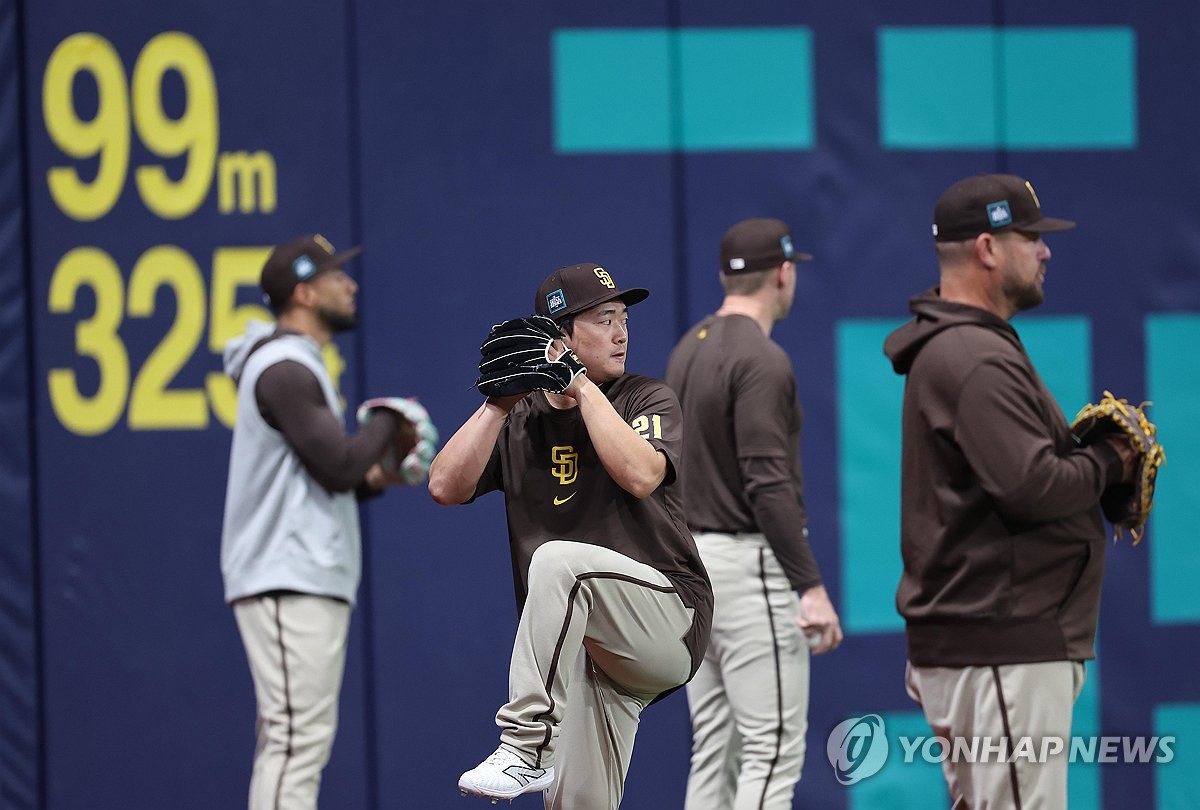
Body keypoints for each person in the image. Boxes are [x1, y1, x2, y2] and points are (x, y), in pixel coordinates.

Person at [882, 174, 1138, 808]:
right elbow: (1034, 486)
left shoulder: (965, 346)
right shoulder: (970, 355)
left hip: (991, 638)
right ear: (988, 249)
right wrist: (1111, 458)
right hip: (1001, 639)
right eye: (1031, 238)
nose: (1045, 251)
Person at [428, 262, 714, 809]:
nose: (622, 333)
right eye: (605, 319)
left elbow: (641, 474)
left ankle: (524, 744)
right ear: (560, 336)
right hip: (586, 655)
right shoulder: (522, 419)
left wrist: (579, 385)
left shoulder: (645, 397)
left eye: (623, 318)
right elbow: (444, 486)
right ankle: (537, 755)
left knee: (559, 561)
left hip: (665, 619)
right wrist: (497, 404)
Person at [220, 234, 424, 810]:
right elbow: (338, 465)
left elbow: (334, 476)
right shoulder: (283, 366)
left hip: (299, 572)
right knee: (295, 743)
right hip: (285, 575)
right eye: (338, 277)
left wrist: (380, 475)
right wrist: (386, 422)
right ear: (305, 293)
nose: (351, 285)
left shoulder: (295, 362)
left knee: (293, 741)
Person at [664, 218, 843, 810]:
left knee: (717, 747)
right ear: (785, 273)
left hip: (691, 568)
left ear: (725, 276)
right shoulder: (762, 359)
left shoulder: (688, 347)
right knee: (771, 751)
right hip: (747, 570)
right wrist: (810, 587)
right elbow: (767, 485)